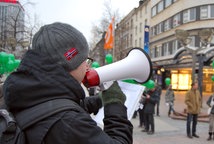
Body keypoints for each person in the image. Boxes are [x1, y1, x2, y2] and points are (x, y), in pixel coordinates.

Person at [2, 22, 133, 144]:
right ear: (70, 61)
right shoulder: (70, 123)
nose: (88, 67)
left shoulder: (22, 91)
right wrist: (115, 102)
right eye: (85, 60)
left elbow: (54, 106)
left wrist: (99, 101)